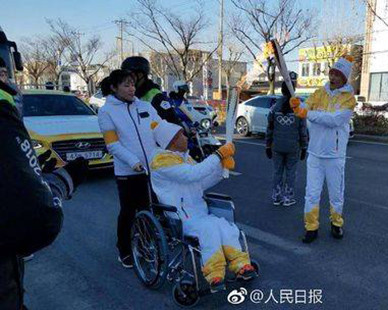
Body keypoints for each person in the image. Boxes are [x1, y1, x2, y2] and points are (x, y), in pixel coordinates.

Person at [0, 57, 89, 309]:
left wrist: (28, 168)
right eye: (2, 75)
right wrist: (59, 182)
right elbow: (38, 216)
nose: (8, 84)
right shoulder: (4, 114)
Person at [150, 121, 257, 293]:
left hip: (200, 213)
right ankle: (214, 274)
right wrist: (218, 155)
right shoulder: (161, 162)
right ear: (172, 140)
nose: (186, 138)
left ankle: (241, 265)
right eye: (182, 135)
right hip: (180, 217)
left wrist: (221, 170)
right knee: (210, 229)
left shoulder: (184, 157)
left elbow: (200, 182)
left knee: (225, 226)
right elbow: (194, 174)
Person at [97, 69, 163, 268]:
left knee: (149, 208)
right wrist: (133, 161)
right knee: (128, 211)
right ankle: (124, 249)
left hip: (153, 168)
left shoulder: (145, 106)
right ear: (113, 87)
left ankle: (146, 242)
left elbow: (160, 128)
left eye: (133, 84)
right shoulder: (106, 111)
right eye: (126, 85)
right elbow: (112, 144)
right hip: (128, 172)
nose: (131, 88)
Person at [290, 56, 357, 243]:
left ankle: (336, 223)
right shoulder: (319, 93)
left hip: (335, 155)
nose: (333, 77)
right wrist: (297, 105)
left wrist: (308, 113)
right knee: (311, 193)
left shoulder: (349, 99)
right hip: (315, 153)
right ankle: (311, 227)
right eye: (332, 73)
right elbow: (305, 106)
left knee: (336, 193)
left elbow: (334, 120)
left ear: (344, 78)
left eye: (338, 74)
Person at [265, 73, 308, 207]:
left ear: (282, 91)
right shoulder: (298, 108)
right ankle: (288, 198)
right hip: (293, 147)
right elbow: (303, 130)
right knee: (290, 173)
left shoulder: (274, 107)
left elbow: (269, 128)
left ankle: (276, 197)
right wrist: (304, 147)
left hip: (277, 146)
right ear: (293, 90)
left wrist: (268, 146)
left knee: (277, 172)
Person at [121, 56, 181, 125]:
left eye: (131, 75)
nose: (128, 79)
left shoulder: (156, 96)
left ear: (141, 75)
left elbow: (171, 123)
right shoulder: (125, 95)